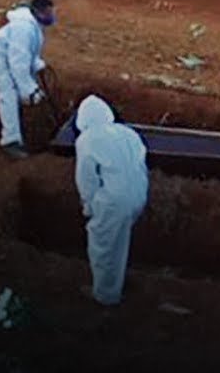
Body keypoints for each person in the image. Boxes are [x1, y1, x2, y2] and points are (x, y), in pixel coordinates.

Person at [74, 94, 148, 306]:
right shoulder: (129, 133)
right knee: (119, 238)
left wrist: (88, 204)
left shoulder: (86, 140)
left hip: (115, 200)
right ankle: (119, 277)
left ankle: (106, 295)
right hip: (139, 193)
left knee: (102, 245)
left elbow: (86, 178)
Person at [0, 0, 55, 159]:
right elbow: (18, 62)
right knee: (7, 95)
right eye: (48, 12)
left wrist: (38, 65)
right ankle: (10, 140)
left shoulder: (33, 27)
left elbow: (28, 54)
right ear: (39, 12)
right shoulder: (24, 28)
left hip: (11, 59)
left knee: (22, 90)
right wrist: (28, 90)